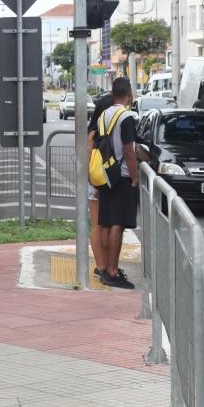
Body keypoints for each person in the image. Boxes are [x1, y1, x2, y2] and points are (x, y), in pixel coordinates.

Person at [93, 77, 139, 289]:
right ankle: (112, 271)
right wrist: (135, 176)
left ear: (113, 94)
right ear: (128, 94)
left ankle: (104, 269)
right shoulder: (126, 116)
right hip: (121, 176)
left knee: (105, 222)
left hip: (104, 175)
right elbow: (129, 150)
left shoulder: (104, 116)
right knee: (118, 225)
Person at [86, 91, 114, 279]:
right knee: (107, 226)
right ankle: (106, 267)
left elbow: (87, 158)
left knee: (98, 225)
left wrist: (91, 182)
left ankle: (101, 266)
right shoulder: (109, 130)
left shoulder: (92, 133)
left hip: (93, 181)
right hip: (106, 182)